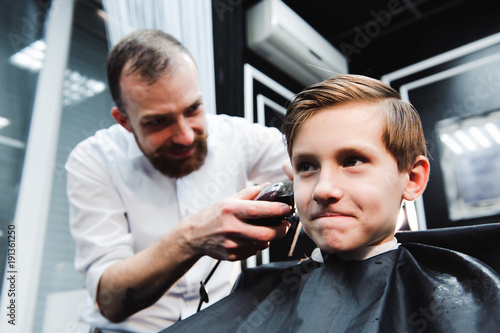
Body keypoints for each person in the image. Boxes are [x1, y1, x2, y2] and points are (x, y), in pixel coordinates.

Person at [163, 74, 500, 332]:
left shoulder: (464, 292)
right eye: (307, 166)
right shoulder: (256, 287)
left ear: (412, 179)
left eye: (353, 160)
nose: (323, 189)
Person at [65, 29, 293, 332]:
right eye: (158, 121)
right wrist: (192, 239)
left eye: (193, 109)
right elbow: (109, 300)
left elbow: (306, 162)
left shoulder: (240, 138)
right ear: (124, 121)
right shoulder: (92, 160)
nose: (185, 135)